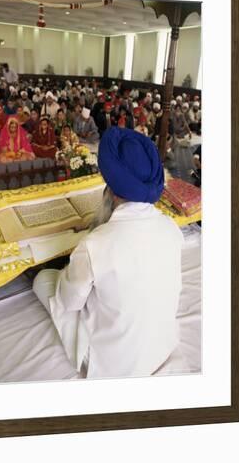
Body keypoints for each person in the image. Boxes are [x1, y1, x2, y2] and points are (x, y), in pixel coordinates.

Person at [32, 127, 184, 378]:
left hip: (116, 364)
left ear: (111, 192)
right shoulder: (171, 228)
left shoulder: (95, 244)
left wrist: (72, 273)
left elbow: (70, 302)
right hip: (163, 346)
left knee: (43, 280)